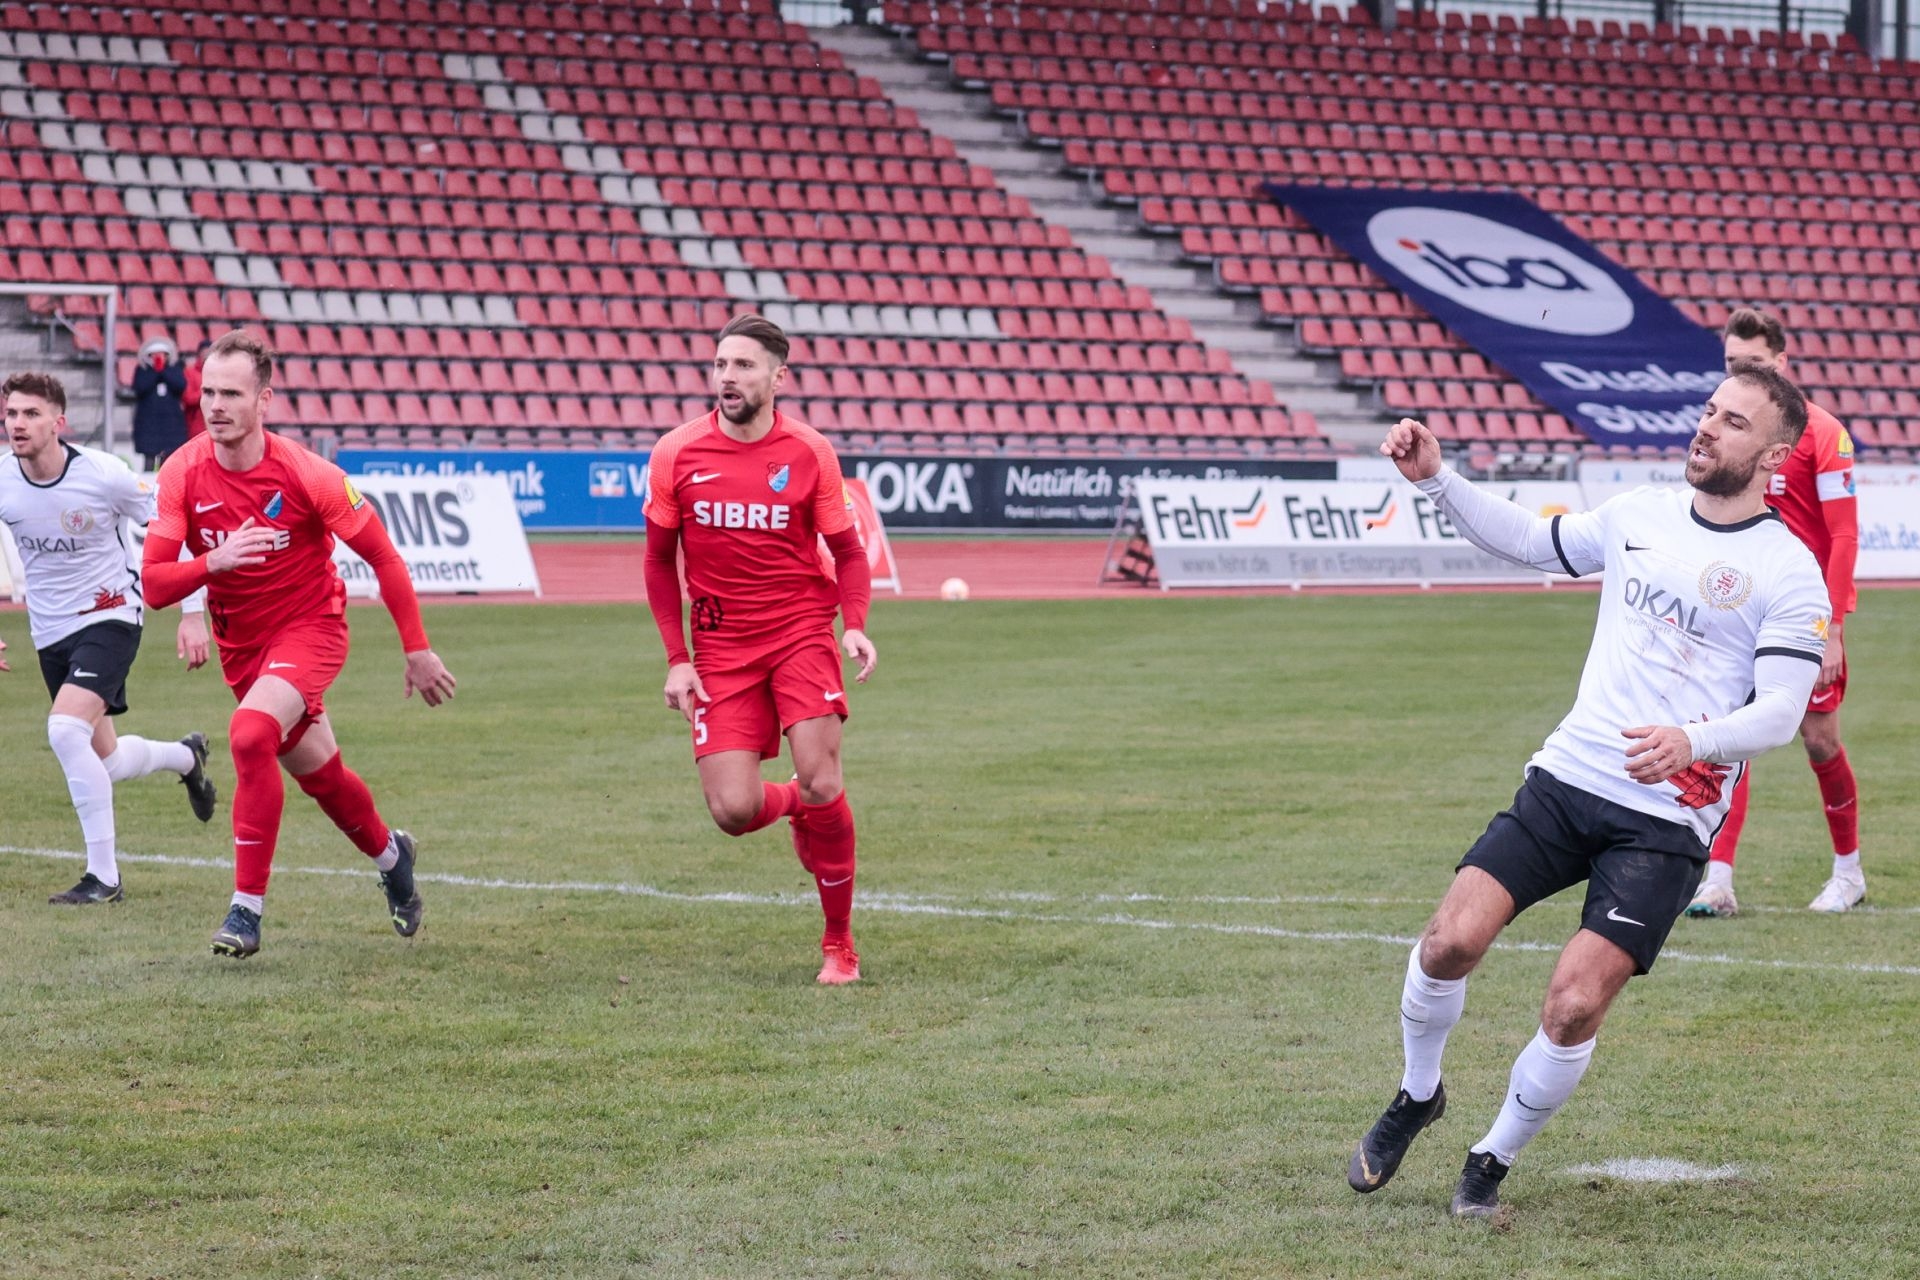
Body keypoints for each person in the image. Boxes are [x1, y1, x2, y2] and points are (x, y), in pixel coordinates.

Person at [1348, 366, 1830, 1220]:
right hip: (1570, 777)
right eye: (1709, 410)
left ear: (1774, 454)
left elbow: (1782, 712)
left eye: (1734, 421)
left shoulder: (1788, 570)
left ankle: (1491, 1159)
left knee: (1572, 1006)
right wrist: (1437, 479)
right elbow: (1534, 542)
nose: (1708, 427)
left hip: (1667, 819)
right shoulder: (1641, 513)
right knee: (1448, 942)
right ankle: (1419, 1093)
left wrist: (1693, 740)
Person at [139, 330, 458, 958]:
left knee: (248, 733)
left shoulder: (310, 474)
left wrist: (417, 648)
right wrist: (212, 564)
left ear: (265, 400)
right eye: (209, 393)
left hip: (312, 628)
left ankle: (246, 911)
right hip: (243, 647)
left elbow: (384, 558)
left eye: (232, 394)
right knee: (322, 777)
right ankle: (393, 858)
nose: (216, 406)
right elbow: (152, 584)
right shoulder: (180, 471)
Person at [643, 314, 876, 985]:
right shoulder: (676, 452)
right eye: (721, 364)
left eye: (743, 366)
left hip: (801, 629)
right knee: (733, 811)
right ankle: (797, 805)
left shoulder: (810, 452)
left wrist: (853, 623)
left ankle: (839, 945)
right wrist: (677, 658)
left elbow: (849, 552)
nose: (727, 377)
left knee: (824, 776)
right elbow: (658, 562)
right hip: (721, 643)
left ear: (779, 378)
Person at [0, 370, 217, 904]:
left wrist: (192, 613)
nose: (18, 424)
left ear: (59, 422)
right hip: (49, 631)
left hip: (111, 615)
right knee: (107, 761)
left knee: (64, 730)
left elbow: (175, 527)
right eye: (11, 414)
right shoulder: (4, 478)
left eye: (31, 414)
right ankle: (187, 757)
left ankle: (104, 878)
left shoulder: (104, 475)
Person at [1687, 307, 1864, 917]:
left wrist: (1833, 628)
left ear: (1782, 363)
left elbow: (1843, 535)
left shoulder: (1825, 433)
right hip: (1737, 606)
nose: (1744, 375)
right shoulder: (1728, 433)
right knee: (1727, 736)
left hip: (1803, 614)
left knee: (1819, 740)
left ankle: (1848, 873)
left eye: (1755, 363)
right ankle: (1717, 880)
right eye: (1733, 364)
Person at [131, 342, 188, 469]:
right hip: (148, 423)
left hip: (171, 423)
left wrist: (164, 371)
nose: (158, 357)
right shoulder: (142, 370)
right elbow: (140, 388)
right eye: (154, 355)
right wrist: (155, 372)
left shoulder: (174, 369)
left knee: (169, 462)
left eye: (162, 355)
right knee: (149, 460)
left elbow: (180, 386)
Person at [182, 340, 211, 441]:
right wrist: (206, 392)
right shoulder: (189, 372)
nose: (206, 355)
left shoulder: (220, 372)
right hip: (196, 426)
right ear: (199, 354)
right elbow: (188, 398)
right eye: (204, 352)